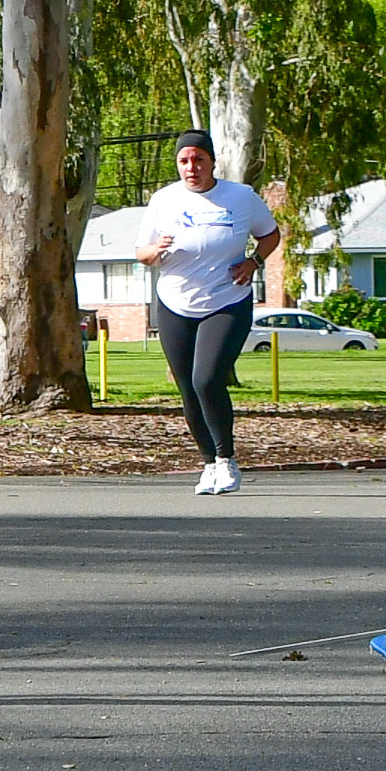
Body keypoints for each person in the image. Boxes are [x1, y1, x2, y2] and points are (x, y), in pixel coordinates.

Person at [138, 132, 280, 497]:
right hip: (174, 303)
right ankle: (208, 464)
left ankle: (226, 459)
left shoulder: (240, 197)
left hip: (227, 300)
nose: (192, 168)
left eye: (199, 159)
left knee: (206, 379)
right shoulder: (163, 200)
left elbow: (270, 234)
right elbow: (142, 252)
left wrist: (254, 261)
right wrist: (154, 251)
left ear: (212, 162)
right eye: (184, 161)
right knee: (187, 387)